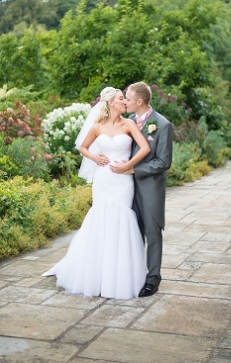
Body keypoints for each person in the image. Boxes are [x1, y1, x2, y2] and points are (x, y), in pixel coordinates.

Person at [42, 87, 151, 300]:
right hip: (103, 179)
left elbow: (145, 148)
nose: (125, 102)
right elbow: (82, 147)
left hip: (122, 181)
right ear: (111, 103)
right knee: (100, 218)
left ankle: (119, 275)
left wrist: (128, 165)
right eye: (121, 98)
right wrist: (94, 157)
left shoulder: (129, 124)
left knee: (121, 218)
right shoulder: (97, 126)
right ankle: (96, 273)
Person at [116, 82, 173, 297]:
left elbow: (164, 162)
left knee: (152, 232)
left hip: (150, 188)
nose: (125, 102)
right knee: (133, 232)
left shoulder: (162, 124)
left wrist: (134, 170)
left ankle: (153, 279)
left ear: (139, 101)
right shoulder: (129, 121)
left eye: (128, 99)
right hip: (127, 188)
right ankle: (136, 274)